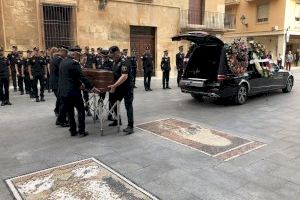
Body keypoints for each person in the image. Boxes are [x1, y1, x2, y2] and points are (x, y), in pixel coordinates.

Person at [58, 46, 93, 137]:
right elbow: (81, 77)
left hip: (64, 92)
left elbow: (70, 77)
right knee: (81, 110)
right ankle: (81, 131)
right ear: (75, 55)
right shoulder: (75, 64)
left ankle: (72, 131)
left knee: (70, 111)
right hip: (73, 92)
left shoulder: (63, 62)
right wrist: (91, 87)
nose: (79, 57)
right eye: (79, 55)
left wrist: (78, 84)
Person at [108, 46, 134, 134]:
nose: (112, 57)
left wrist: (114, 86)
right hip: (118, 88)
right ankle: (117, 119)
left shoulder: (124, 62)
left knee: (128, 106)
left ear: (118, 53)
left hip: (127, 88)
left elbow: (124, 76)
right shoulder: (115, 62)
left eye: (114, 55)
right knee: (113, 102)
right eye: (112, 55)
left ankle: (130, 126)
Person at [82, 46, 95, 116]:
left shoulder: (91, 56)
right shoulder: (82, 56)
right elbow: (80, 64)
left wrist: (94, 74)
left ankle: (87, 109)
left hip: (88, 76)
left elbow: (93, 66)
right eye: (86, 49)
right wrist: (83, 61)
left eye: (88, 49)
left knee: (86, 94)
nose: (87, 50)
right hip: (81, 76)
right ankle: (81, 108)